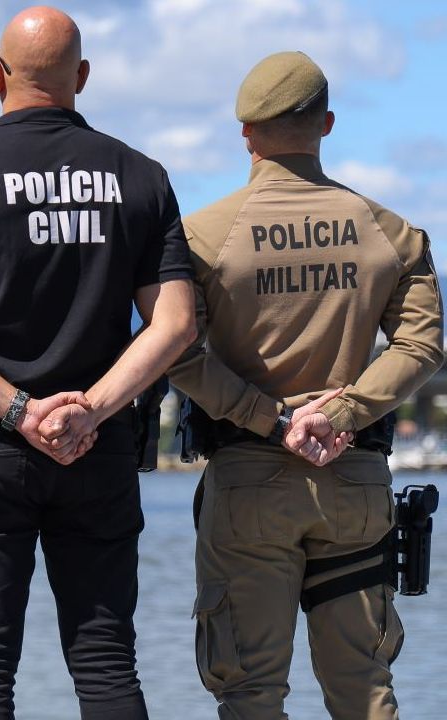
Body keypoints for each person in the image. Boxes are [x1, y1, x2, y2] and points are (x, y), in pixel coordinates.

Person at [0, 6, 195, 719]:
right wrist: (92, 409)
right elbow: (176, 323)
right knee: (107, 663)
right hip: (99, 446)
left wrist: (19, 411)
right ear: (81, 76)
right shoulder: (140, 177)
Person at [167, 50, 443, 719]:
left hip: (248, 486)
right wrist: (343, 411)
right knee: (365, 692)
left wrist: (271, 418)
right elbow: (422, 345)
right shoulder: (391, 234)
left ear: (246, 133)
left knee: (250, 692)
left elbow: (174, 350)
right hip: (354, 483)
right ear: (327, 124)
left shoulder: (201, 237)